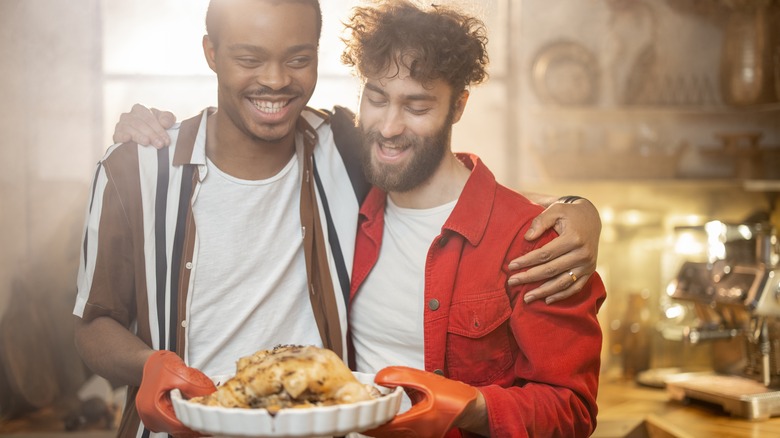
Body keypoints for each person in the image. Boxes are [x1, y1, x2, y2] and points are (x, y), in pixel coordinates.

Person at [80, 1, 600, 437]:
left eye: (298, 58)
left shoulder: (342, 152)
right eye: (377, 98)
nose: (276, 80)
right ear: (211, 53)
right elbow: (91, 320)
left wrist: (578, 209)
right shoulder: (137, 168)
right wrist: (148, 367)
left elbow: (466, 198)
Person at [337, 2, 606, 437]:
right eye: (376, 98)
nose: (388, 127)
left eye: (417, 107)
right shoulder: (349, 200)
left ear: (458, 106)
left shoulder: (535, 242)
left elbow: (571, 410)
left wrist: (471, 407)